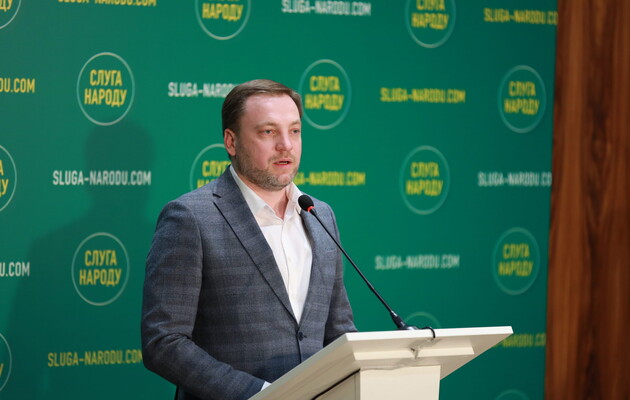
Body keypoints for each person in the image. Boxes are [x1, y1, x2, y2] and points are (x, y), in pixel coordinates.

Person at [141, 79, 356, 400]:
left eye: (295, 131)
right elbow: (163, 342)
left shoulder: (319, 214)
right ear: (231, 141)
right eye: (268, 132)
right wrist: (260, 395)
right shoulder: (191, 218)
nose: (286, 145)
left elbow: (338, 331)